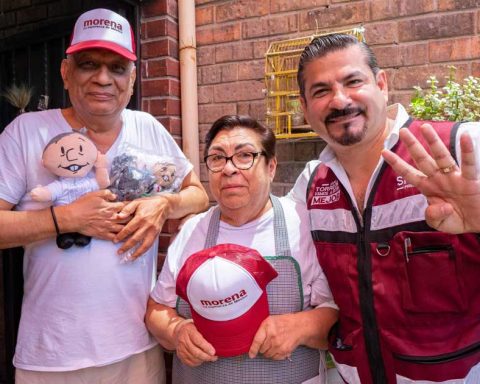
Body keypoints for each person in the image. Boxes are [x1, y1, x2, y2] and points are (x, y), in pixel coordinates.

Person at [0, 8, 208, 384]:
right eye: (88, 63)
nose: (102, 78)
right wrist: (66, 219)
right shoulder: (25, 133)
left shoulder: (147, 127)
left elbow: (197, 195)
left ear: (131, 79)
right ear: (66, 72)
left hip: (136, 350)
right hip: (51, 356)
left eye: (116, 67)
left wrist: (163, 204)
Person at [289, 32, 480, 383]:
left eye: (353, 81)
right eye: (321, 91)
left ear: (381, 84)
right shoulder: (312, 184)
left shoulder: (460, 147)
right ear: (304, 108)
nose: (340, 100)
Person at [146, 115, 338, 384]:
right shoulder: (192, 232)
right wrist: (177, 331)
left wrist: (302, 327)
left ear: (271, 167)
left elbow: (340, 314)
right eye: (217, 158)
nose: (229, 169)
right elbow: (157, 309)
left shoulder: (304, 225)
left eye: (244, 155)